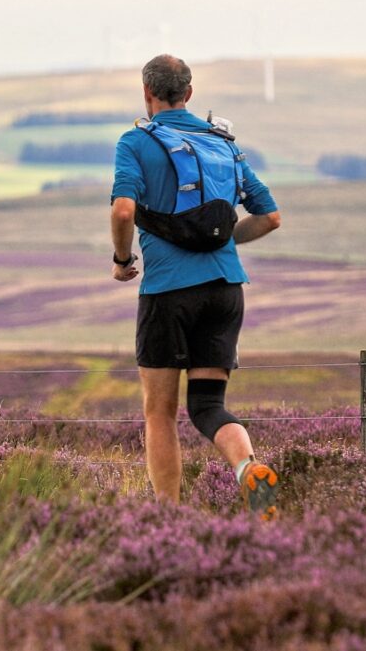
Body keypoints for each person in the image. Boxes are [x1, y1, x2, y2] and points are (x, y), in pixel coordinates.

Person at [109, 54, 282, 520]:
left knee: (159, 412)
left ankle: (169, 517)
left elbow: (124, 211)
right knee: (208, 405)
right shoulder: (222, 142)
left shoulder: (135, 142)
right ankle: (247, 468)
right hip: (226, 289)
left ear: (147, 93)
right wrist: (225, 240)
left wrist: (123, 260)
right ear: (189, 93)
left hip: (168, 293)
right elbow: (269, 217)